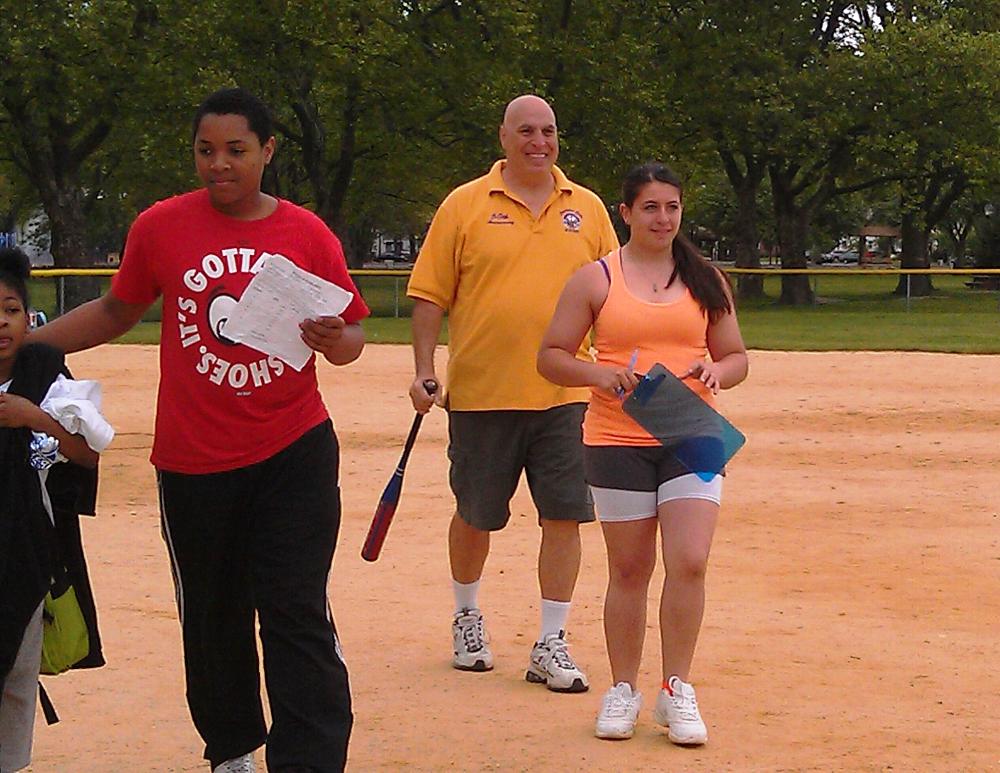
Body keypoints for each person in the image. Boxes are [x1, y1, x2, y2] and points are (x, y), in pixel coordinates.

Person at [29, 88, 369, 773]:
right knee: (213, 616)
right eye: (205, 151)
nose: (219, 164)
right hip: (195, 461)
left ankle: (309, 758)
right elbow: (115, 310)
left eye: (236, 150)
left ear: (268, 151)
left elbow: (352, 337)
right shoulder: (161, 226)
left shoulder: (307, 234)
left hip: (293, 450)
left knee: (295, 608)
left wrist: (337, 339)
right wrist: (24, 350)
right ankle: (233, 749)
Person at [406, 94, 619, 692]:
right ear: (503, 137)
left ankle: (551, 641)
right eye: (526, 131)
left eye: (548, 131)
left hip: (567, 397)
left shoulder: (588, 208)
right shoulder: (464, 204)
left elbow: (615, 296)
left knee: (565, 516)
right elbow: (429, 296)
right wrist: (423, 369)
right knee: (476, 515)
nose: (538, 142)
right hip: (483, 394)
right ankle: (467, 616)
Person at [537, 162, 748, 744]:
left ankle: (676, 688)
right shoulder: (596, 278)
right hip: (616, 435)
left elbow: (736, 356)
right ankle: (623, 688)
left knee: (690, 560)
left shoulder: (706, 280)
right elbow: (552, 355)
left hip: (689, 428)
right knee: (629, 570)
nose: (663, 218)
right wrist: (598, 374)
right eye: (650, 207)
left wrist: (718, 370)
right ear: (626, 212)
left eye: (672, 207)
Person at [1, 247, 112, 772]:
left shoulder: (47, 376)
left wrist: (32, 417)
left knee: (17, 670)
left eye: (10, 310)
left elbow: (88, 454)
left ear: (30, 318)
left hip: (25, 551)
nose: (1, 323)